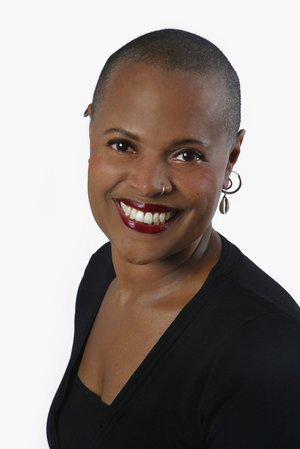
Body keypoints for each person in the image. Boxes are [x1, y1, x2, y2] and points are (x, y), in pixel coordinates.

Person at [47, 29, 300, 449]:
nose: (148, 185)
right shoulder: (101, 272)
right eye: (123, 144)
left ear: (231, 157)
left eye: (188, 155)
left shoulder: (269, 354)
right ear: (91, 128)